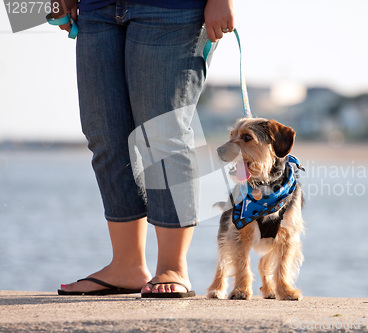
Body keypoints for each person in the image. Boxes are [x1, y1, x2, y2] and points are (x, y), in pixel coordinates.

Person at [56, 0, 235, 296]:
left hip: (172, 9)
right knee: (105, 135)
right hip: (95, 8)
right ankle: (126, 265)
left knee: (164, 132)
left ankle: (173, 266)